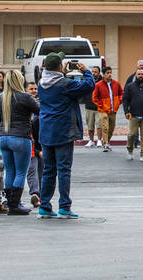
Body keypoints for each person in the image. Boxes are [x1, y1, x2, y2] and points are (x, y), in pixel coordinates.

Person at [37, 52, 95, 219]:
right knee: (63, 169)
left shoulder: (41, 83)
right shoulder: (65, 84)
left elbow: (55, 80)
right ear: (59, 67)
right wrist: (86, 71)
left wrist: (62, 72)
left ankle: (45, 206)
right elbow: (88, 86)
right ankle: (64, 206)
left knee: (49, 170)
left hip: (46, 131)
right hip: (63, 130)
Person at [0, 69, 39, 215]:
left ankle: (11, 203)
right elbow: (39, 110)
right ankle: (15, 205)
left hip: (3, 138)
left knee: (9, 171)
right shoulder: (25, 97)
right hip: (21, 137)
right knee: (21, 172)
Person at [123, 64, 143, 162]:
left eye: (142, 74)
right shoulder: (130, 86)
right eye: (139, 74)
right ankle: (130, 149)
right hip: (133, 115)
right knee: (132, 134)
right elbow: (125, 100)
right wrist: (126, 111)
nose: (140, 75)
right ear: (136, 75)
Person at [92, 67, 123, 153]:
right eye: (107, 73)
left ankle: (107, 141)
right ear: (104, 74)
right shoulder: (98, 85)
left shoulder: (116, 84)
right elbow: (94, 98)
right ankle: (105, 144)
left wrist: (119, 101)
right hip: (103, 110)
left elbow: (121, 93)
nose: (109, 74)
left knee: (111, 128)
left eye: (110, 72)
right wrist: (101, 105)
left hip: (113, 110)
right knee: (105, 127)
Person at [24, 81, 42, 207]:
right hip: (29, 143)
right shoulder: (24, 103)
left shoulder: (41, 104)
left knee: (41, 170)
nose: (34, 91)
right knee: (32, 170)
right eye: (31, 89)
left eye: (35, 88)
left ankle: (39, 195)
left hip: (40, 143)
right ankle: (34, 193)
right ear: (26, 91)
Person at [82, 65, 102, 147]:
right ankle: (91, 140)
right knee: (90, 125)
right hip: (89, 106)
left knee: (99, 125)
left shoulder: (102, 81)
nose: (93, 73)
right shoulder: (88, 80)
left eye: (95, 72)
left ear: (99, 73)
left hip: (99, 107)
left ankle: (99, 140)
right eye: (92, 72)